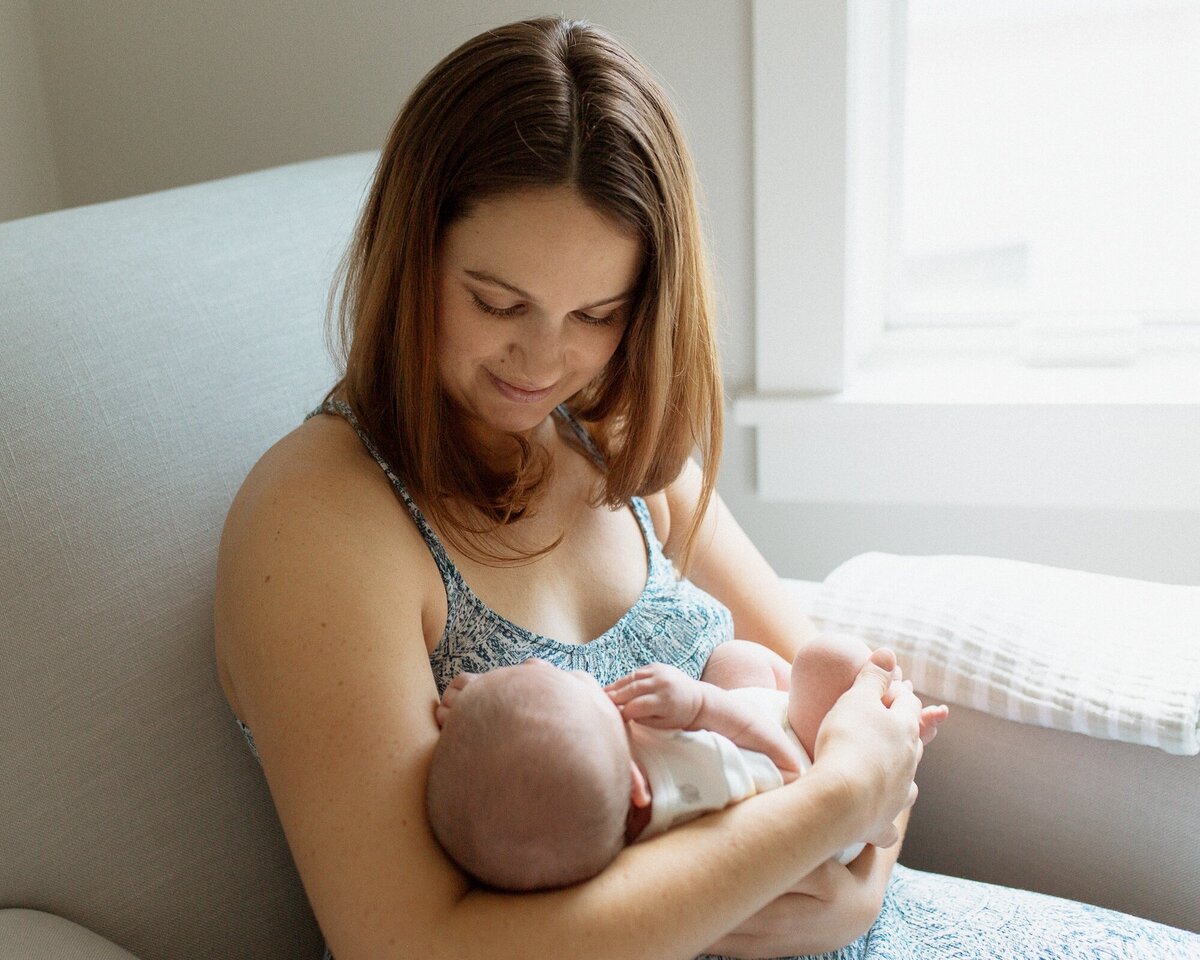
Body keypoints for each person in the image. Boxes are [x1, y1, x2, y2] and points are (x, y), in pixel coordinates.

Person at [213, 15, 1200, 960]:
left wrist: (855, 883)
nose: (543, 358)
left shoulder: (614, 447)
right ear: (409, 257)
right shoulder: (320, 520)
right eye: (495, 300)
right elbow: (408, 944)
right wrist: (826, 813)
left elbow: (852, 705)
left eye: (597, 312)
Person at [426, 636, 950, 891]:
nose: (549, 668)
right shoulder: (691, 785)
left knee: (733, 662)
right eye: (593, 696)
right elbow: (791, 772)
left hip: (774, 767)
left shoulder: (583, 811)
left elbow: (524, 758)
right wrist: (702, 706)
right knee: (825, 661)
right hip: (818, 799)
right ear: (638, 784)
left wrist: (491, 705)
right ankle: (894, 749)